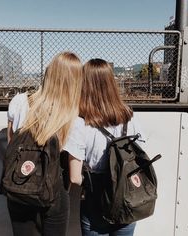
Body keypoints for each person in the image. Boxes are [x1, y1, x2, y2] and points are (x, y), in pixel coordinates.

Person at [63, 58, 145, 236]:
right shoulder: (129, 116)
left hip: (95, 202)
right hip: (126, 199)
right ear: (111, 82)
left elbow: (75, 177)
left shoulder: (79, 123)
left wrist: (96, 185)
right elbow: (139, 157)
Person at [6, 51, 83, 236]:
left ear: (49, 73)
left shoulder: (19, 102)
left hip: (19, 185)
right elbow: (72, 174)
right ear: (76, 81)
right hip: (54, 192)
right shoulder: (74, 118)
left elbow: (10, 144)